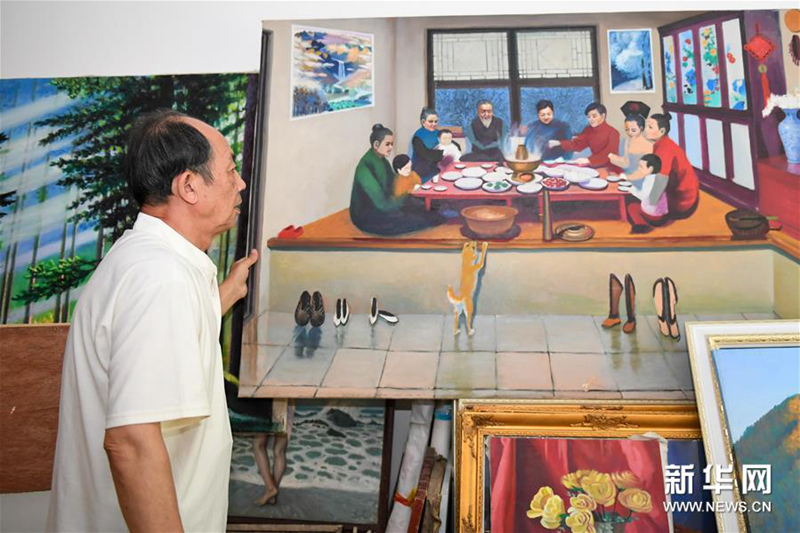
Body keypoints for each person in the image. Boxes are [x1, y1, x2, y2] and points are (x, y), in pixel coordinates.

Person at [46, 109, 259, 532]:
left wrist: (224, 295)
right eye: (230, 170)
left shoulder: (147, 262)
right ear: (189, 186)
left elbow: (163, 346)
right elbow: (131, 443)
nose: (240, 184)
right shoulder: (161, 278)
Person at [350, 123, 444, 236]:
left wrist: (410, 191)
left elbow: (394, 183)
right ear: (376, 144)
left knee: (429, 208)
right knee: (423, 219)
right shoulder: (364, 167)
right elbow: (382, 204)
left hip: (391, 203)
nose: (391, 147)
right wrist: (406, 198)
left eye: (392, 144)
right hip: (370, 215)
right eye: (387, 144)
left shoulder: (382, 160)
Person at [644, 112, 700, 220]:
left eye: (650, 127)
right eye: (646, 126)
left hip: (682, 200)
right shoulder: (663, 143)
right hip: (687, 194)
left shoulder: (665, 148)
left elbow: (661, 179)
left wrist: (651, 202)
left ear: (662, 131)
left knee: (637, 206)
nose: (646, 130)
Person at [549, 102, 620, 168]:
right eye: (589, 117)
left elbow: (610, 154)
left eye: (594, 116)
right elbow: (577, 144)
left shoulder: (613, 133)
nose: (591, 119)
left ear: (603, 116)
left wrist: (589, 160)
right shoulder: (588, 130)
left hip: (610, 168)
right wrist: (559, 143)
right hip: (594, 166)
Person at [625, 154, 669, 233]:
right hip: (663, 215)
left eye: (641, 167)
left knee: (631, 207)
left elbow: (643, 196)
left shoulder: (649, 180)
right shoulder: (659, 178)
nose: (639, 168)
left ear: (650, 169)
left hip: (653, 217)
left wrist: (631, 189)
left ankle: (641, 225)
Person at [411, 107, 444, 182]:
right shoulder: (418, 136)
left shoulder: (438, 133)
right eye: (430, 121)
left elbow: (449, 142)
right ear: (423, 122)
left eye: (436, 121)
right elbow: (425, 154)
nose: (434, 124)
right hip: (422, 171)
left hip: (436, 167)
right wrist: (443, 153)